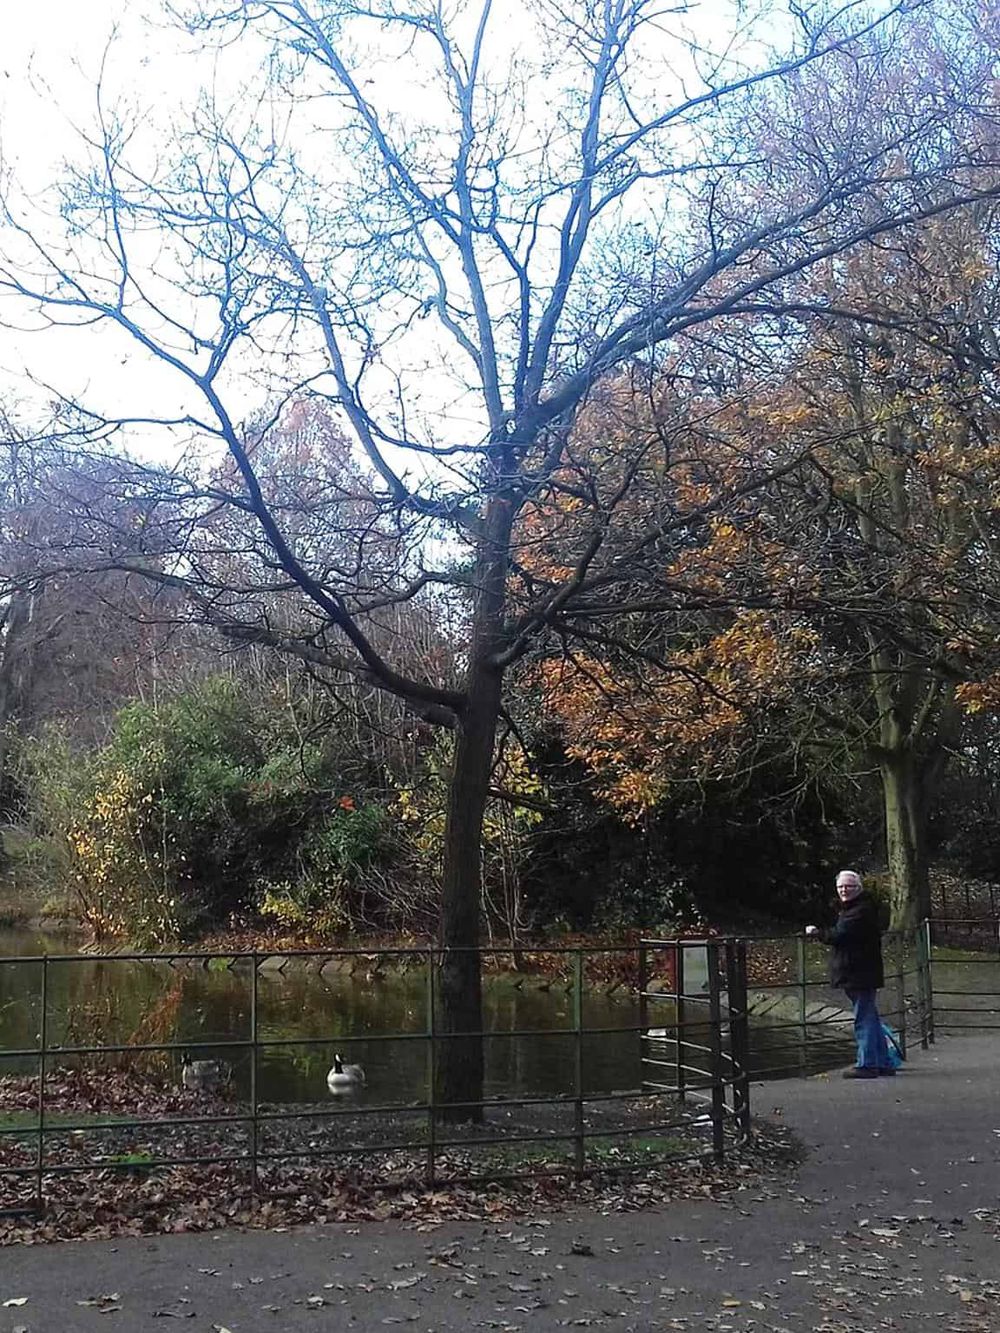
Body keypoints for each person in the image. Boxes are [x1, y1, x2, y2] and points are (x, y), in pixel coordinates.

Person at [806, 869, 894, 1079]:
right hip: (861, 971)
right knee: (869, 1015)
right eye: (841, 887)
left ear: (858, 888)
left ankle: (867, 1064)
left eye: (849, 886)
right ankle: (882, 1062)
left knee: (864, 1017)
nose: (844, 890)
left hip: (859, 971)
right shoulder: (857, 908)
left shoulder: (859, 911)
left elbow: (839, 935)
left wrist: (816, 933)